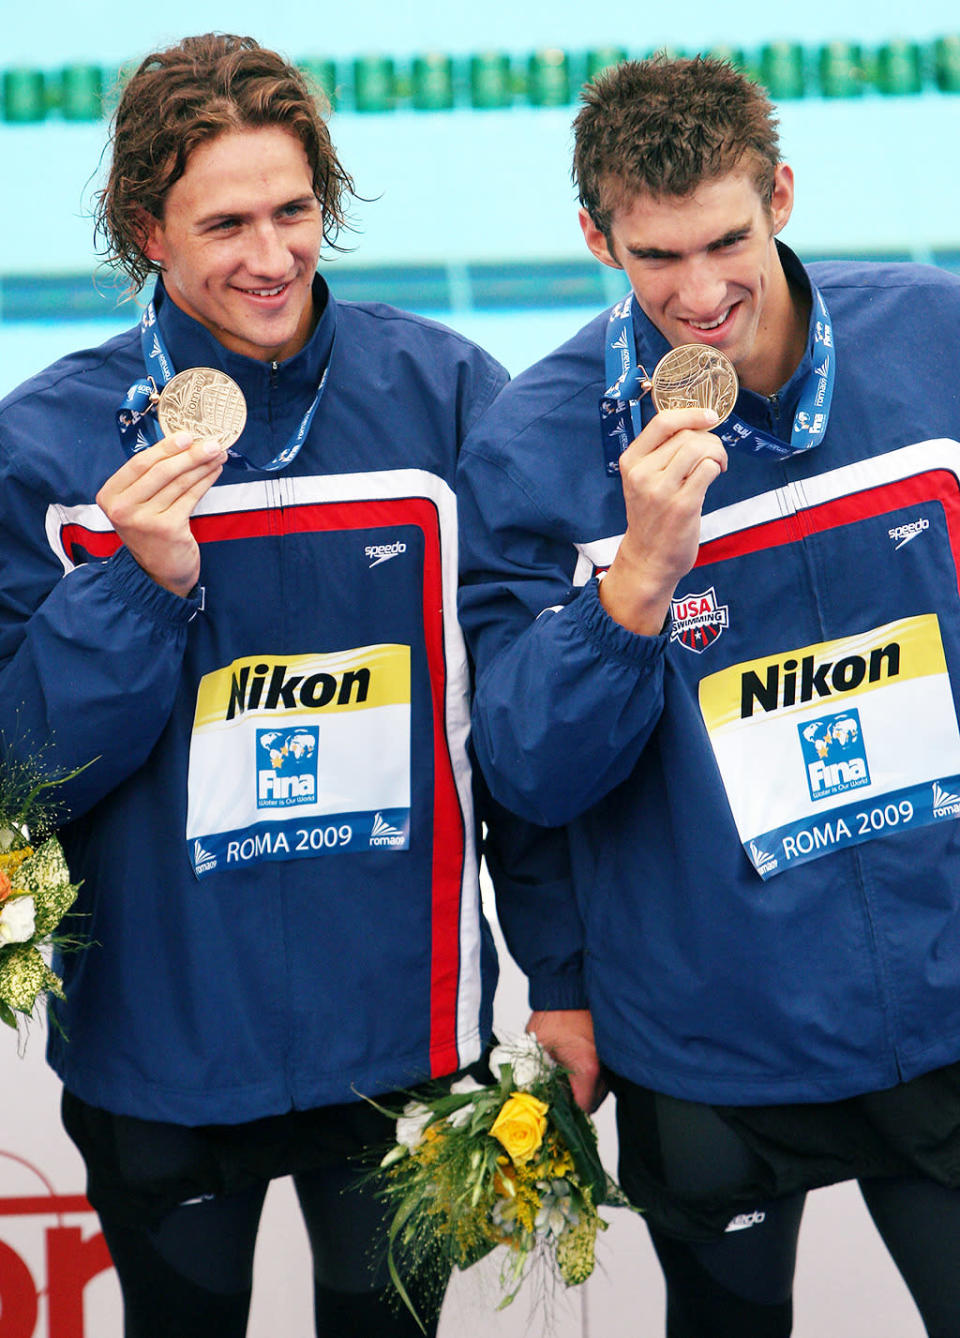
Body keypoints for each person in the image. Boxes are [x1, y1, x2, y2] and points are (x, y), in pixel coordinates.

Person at [0, 33, 511, 1338]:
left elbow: (532, 715)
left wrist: (561, 974)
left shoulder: (448, 397)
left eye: (295, 211)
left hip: (402, 1034)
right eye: (226, 221)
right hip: (162, 1048)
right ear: (145, 232)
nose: (273, 256)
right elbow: (13, 773)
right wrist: (136, 583)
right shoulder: (48, 443)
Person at [458, 54, 960, 1337]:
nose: (698, 293)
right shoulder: (536, 441)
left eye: (726, 240)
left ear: (780, 193)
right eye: (654, 256)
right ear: (595, 236)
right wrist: (631, 590)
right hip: (708, 1025)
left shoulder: (936, 337)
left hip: (945, 987)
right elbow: (527, 776)